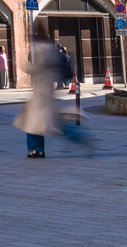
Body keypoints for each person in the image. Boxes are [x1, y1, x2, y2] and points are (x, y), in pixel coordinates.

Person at [17, 19, 91, 158]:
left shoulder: (43, 50)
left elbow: (39, 68)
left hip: (42, 92)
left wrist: (24, 66)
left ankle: (36, 149)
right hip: (46, 91)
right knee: (46, 122)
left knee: (38, 122)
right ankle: (80, 138)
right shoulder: (51, 48)